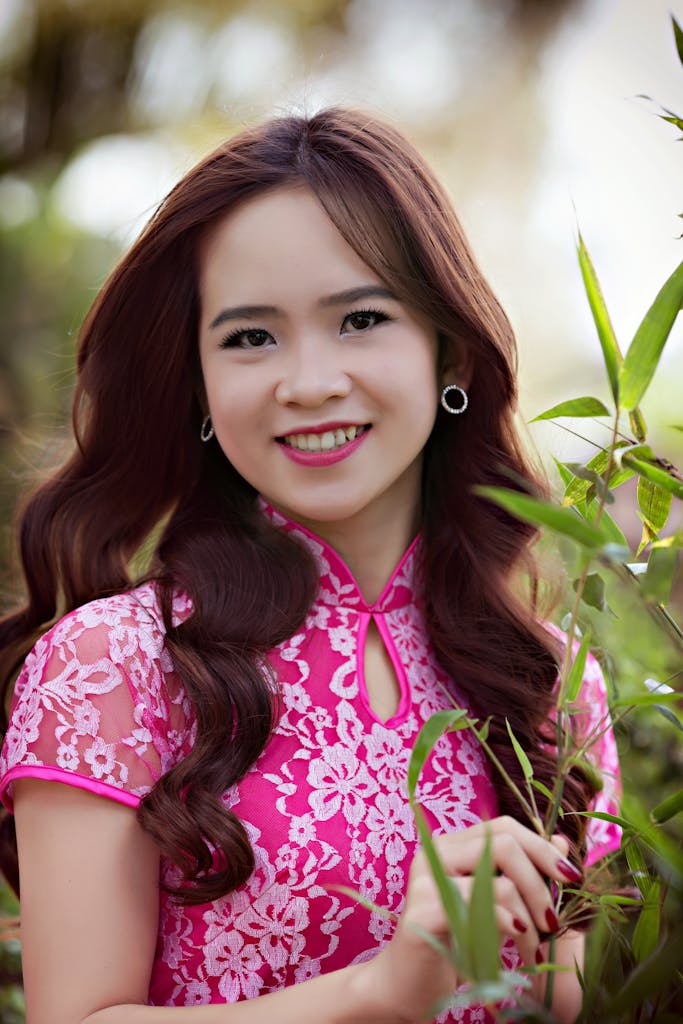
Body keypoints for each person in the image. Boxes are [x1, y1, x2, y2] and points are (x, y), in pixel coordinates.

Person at [0, 107, 621, 1024]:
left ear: (446, 346)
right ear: (199, 384)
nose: (309, 382)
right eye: (250, 337)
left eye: (360, 318)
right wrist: (379, 993)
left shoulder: (549, 681)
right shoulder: (112, 666)